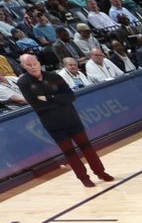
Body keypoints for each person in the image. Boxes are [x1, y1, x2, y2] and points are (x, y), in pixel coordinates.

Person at [17, 53, 113, 188]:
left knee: (87, 147)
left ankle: (100, 172)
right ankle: (83, 178)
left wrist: (49, 98)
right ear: (23, 66)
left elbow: (70, 96)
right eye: (29, 65)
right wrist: (58, 98)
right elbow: (37, 104)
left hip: (71, 119)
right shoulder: (23, 82)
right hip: (53, 124)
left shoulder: (54, 76)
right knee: (69, 152)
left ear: (39, 63)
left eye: (35, 64)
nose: (33, 67)